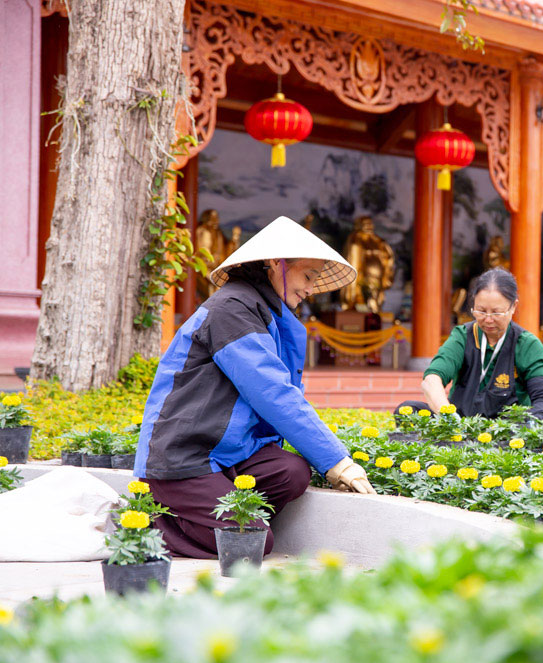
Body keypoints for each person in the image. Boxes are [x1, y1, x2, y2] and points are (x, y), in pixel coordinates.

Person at [135, 215, 376, 559]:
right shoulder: (231, 309)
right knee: (252, 544)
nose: (311, 289)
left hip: (228, 455)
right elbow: (273, 393)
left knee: (292, 471)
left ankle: (211, 517)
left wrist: (325, 460)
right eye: (308, 276)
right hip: (184, 457)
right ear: (275, 264)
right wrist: (337, 461)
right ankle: (150, 525)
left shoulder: (264, 311)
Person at [398, 268, 543, 419]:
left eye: (496, 312)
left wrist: (528, 424)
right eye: (481, 311)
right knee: (407, 410)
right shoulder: (462, 336)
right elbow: (432, 379)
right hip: (460, 422)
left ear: (513, 307)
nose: (487, 319)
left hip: (507, 429)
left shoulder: (527, 344)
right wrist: (448, 417)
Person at [339, 216, 395, 314]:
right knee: (362, 298)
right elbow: (353, 259)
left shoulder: (378, 241)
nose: (369, 226)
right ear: (359, 226)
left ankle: (375, 312)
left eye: (370, 224)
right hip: (363, 277)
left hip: (378, 277)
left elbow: (388, 257)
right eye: (366, 224)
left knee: (376, 300)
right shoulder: (356, 239)